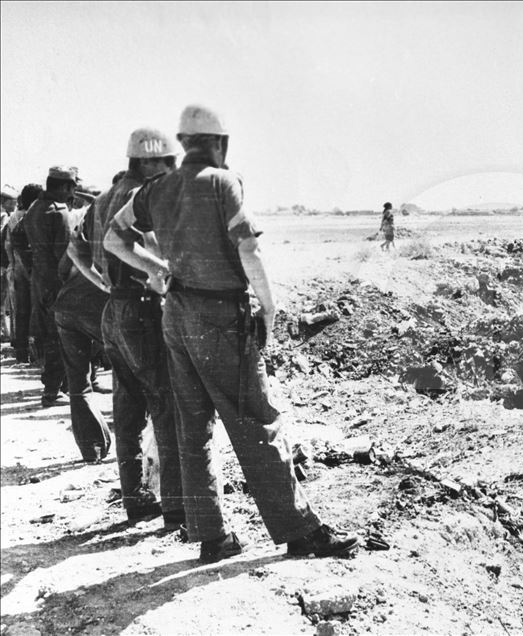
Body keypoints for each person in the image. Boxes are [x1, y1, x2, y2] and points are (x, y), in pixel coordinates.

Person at [105, 104, 358, 563]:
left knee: (193, 427)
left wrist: (157, 270)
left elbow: (113, 238)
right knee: (256, 422)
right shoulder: (223, 182)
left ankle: (212, 537)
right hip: (220, 316)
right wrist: (269, 308)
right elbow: (249, 249)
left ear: (185, 143)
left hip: (176, 315)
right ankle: (300, 532)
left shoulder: (156, 188)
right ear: (219, 143)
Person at [74, 127, 186, 525]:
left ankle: (136, 498)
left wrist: (103, 282)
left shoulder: (103, 198)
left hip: (114, 310)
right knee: (165, 406)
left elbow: (75, 248)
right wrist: (161, 271)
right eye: (168, 162)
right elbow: (149, 249)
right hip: (142, 310)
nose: (173, 169)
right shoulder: (143, 196)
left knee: (127, 412)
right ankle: (176, 506)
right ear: (148, 161)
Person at [22, 167, 77, 406]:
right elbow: (64, 254)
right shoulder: (59, 212)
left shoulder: (34, 207)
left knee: (49, 334)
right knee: (61, 335)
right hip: (57, 281)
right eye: (72, 188)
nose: (73, 193)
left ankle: (56, 387)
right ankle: (53, 390)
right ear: (64, 187)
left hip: (39, 279)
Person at [53, 238, 111, 463]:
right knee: (132, 376)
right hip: (100, 308)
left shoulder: (87, 230)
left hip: (66, 305)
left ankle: (91, 449)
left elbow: (63, 268)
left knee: (78, 382)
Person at [5, 184, 43, 363]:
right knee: (37, 311)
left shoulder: (14, 216)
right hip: (33, 270)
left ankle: (22, 353)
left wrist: (12, 264)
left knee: (21, 312)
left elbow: (8, 244)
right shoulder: (34, 215)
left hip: (18, 268)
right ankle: (37, 354)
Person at [0, 185, 17, 342]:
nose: (14, 205)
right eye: (11, 202)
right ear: (3, 202)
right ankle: (4, 332)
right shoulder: (4, 217)